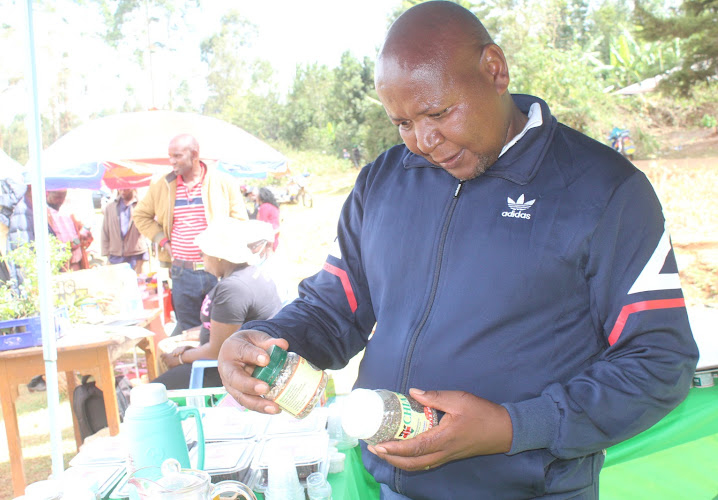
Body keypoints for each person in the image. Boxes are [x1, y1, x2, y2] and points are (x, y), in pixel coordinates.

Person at [217, 3, 698, 499]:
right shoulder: (383, 182)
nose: (424, 141)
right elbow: (332, 310)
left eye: (439, 113)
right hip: (393, 490)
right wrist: (263, 340)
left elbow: (660, 361)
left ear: (494, 69)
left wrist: (513, 427)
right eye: (402, 122)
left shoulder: (603, 190)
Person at [133, 134, 248, 336]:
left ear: (194, 154)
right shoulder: (163, 185)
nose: (172, 162)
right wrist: (163, 241)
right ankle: (192, 367)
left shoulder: (223, 182)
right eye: (170, 156)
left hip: (218, 271)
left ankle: (218, 367)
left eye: (177, 156)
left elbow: (240, 222)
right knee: (187, 330)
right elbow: (140, 215)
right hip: (182, 272)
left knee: (222, 329)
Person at [153, 218, 281, 390]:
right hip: (232, 360)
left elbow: (218, 351)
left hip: (229, 370)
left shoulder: (233, 289)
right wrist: (191, 339)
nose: (201, 258)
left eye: (204, 254)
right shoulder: (249, 274)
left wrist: (181, 358)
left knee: (151, 393)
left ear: (219, 257)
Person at [100, 188, 149, 273]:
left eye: (125, 188)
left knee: (139, 284)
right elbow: (105, 231)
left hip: (137, 255)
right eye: (119, 188)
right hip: (116, 255)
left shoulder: (141, 206)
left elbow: (148, 227)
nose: (122, 191)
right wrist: (106, 252)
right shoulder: (110, 207)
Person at [46, 189, 93, 271]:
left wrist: (85, 234)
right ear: (47, 194)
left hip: (77, 263)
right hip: (61, 266)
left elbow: (82, 239)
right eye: (57, 197)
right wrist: (77, 240)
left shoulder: (68, 213)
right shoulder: (46, 215)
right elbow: (70, 245)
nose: (60, 201)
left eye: (63, 197)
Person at [256, 187, 280, 252]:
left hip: (268, 240)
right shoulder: (273, 206)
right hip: (274, 237)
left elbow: (261, 224)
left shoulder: (264, 207)